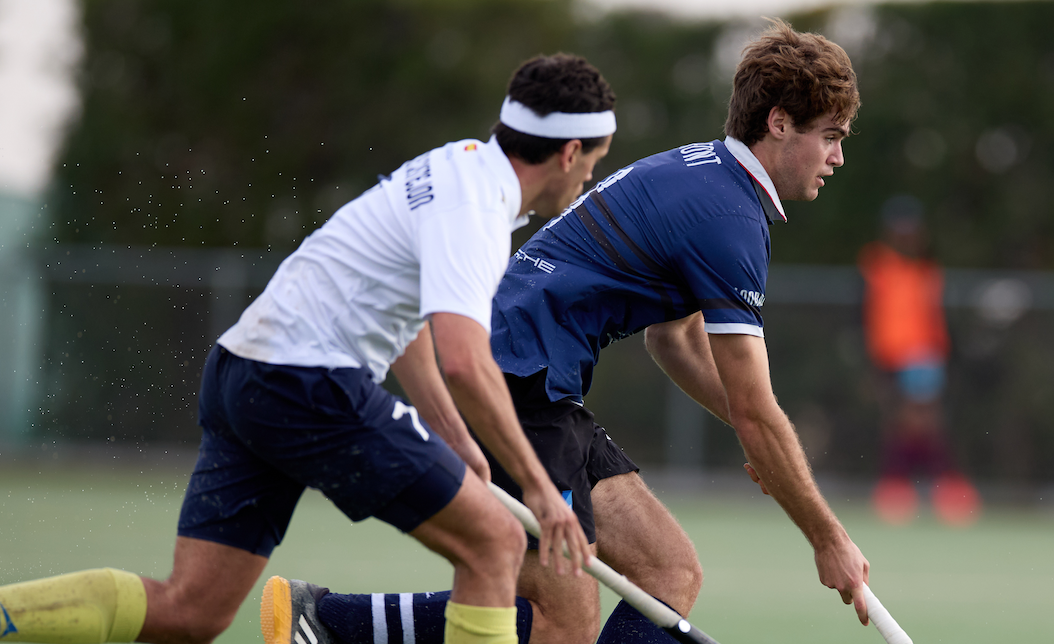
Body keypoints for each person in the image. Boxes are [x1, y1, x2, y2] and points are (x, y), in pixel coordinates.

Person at [286, 19, 875, 644]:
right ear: (779, 123)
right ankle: (332, 622)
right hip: (515, 384)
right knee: (564, 617)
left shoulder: (703, 177)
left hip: (543, 387)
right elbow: (756, 410)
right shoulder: (728, 216)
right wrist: (827, 538)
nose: (838, 157)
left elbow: (671, 341)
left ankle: (329, 621)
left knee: (667, 572)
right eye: (831, 137)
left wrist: (762, 441)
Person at [0, 53, 616, 644]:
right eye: (595, 161)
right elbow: (463, 357)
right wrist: (538, 486)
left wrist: (450, 432)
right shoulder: (477, 209)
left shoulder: (457, 169)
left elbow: (403, 322)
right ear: (568, 153)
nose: (590, 175)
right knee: (494, 543)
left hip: (243, 371)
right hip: (305, 383)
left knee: (190, 611)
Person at [857, 196, 979, 527]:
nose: (907, 235)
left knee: (927, 422)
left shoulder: (928, 270)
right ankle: (900, 487)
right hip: (889, 357)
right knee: (901, 422)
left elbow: (935, 320)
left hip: (924, 357)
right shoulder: (877, 266)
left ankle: (938, 487)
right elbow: (865, 316)